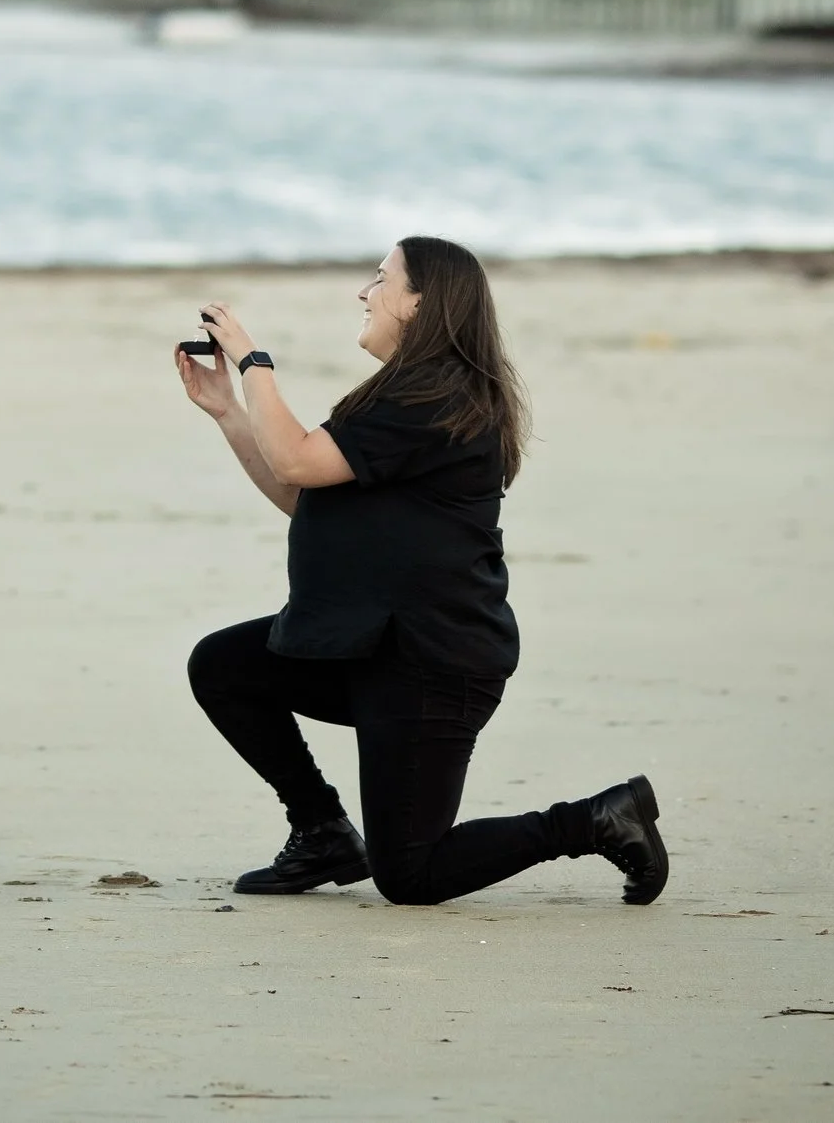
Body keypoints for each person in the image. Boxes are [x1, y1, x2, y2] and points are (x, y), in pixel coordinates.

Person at [176, 236, 668, 907]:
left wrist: (252, 361)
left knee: (411, 877)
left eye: (380, 279)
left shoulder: (436, 400)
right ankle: (320, 829)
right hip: (373, 648)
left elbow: (296, 461)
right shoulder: (406, 393)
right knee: (225, 665)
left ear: (420, 302)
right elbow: (303, 494)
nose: (364, 292)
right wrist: (229, 411)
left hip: (434, 665)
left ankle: (595, 820)